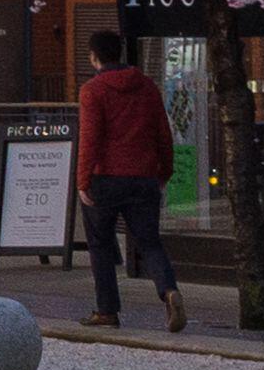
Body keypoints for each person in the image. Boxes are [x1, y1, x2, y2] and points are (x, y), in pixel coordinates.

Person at [76, 26, 184, 332]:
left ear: (94, 57)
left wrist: (83, 180)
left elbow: (90, 139)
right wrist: (164, 171)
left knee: (100, 244)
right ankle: (168, 290)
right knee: (149, 242)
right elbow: (163, 132)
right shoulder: (147, 87)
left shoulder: (93, 91)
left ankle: (107, 310)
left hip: (105, 178)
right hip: (144, 176)